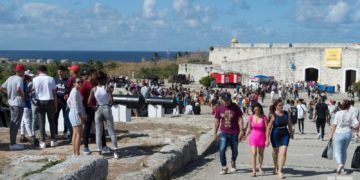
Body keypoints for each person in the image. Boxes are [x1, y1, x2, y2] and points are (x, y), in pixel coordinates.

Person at [89, 71, 119, 158]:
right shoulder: (107, 88)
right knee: (111, 131)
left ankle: (99, 151)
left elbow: (89, 102)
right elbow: (111, 101)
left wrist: (94, 107)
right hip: (106, 108)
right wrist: (110, 104)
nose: (106, 79)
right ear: (102, 79)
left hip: (98, 109)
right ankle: (115, 152)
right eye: (105, 78)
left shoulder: (94, 89)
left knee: (98, 132)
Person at [214, 93, 244, 175]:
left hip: (234, 132)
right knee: (222, 149)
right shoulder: (219, 109)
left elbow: (240, 119)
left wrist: (241, 131)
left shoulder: (236, 108)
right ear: (222, 100)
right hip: (224, 132)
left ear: (230, 99)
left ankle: (233, 161)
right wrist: (215, 133)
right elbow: (217, 121)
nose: (226, 102)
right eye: (224, 100)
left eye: (227, 100)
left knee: (234, 150)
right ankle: (224, 167)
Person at [329, 100, 359, 174]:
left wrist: (331, 135)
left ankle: (340, 164)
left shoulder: (338, 113)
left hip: (339, 133)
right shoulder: (351, 113)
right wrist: (352, 127)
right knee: (344, 150)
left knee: (337, 151)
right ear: (349, 106)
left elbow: (334, 125)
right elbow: (357, 124)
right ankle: (342, 168)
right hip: (348, 133)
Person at [32, 65, 58, 148]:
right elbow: (54, 94)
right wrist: (55, 105)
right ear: (46, 71)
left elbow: (33, 90)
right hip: (50, 101)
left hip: (39, 101)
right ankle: (53, 140)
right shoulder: (51, 79)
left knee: (41, 122)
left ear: (38, 71)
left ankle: (42, 141)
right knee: (51, 121)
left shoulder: (35, 79)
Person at [1, 64, 26, 150]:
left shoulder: (10, 78)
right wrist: (23, 97)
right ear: (21, 71)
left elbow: (1, 88)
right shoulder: (20, 79)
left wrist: (8, 94)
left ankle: (13, 142)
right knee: (16, 123)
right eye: (23, 71)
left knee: (13, 123)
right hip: (18, 104)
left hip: (11, 103)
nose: (24, 72)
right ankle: (12, 143)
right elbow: (18, 89)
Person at [266, 99, 292, 179]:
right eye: (279, 105)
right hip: (275, 134)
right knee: (275, 152)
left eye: (282, 105)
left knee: (283, 152)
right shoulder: (273, 115)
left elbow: (289, 123)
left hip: (285, 133)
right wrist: (267, 139)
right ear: (276, 106)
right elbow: (269, 128)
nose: (281, 107)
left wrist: (291, 132)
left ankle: (280, 171)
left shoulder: (286, 113)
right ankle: (275, 166)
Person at [245, 103, 267, 177]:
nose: (256, 111)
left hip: (262, 137)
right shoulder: (251, 117)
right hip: (253, 137)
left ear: (260, 109)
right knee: (254, 153)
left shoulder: (264, 117)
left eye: (257, 109)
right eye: (255, 110)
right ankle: (254, 171)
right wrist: (245, 135)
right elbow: (248, 128)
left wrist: (267, 139)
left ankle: (260, 167)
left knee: (261, 154)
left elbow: (267, 129)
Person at [67, 77, 85, 156]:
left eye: (81, 82)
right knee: (78, 134)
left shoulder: (75, 91)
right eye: (78, 82)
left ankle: (75, 153)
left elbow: (68, 101)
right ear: (74, 83)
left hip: (74, 112)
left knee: (75, 134)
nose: (80, 83)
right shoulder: (75, 92)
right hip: (76, 113)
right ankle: (76, 153)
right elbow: (76, 106)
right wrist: (81, 118)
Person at [19, 70, 37, 146]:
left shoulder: (23, 83)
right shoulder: (24, 83)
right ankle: (31, 137)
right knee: (27, 121)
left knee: (23, 120)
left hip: (24, 104)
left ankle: (22, 136)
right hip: (26, 104)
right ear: (26, 76)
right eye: (29, 76)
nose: (30, 77)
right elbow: (24, 93)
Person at [54, 65, 71, 141]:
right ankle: (55, 133)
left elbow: (70, 90)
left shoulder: (68, 80)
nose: (59, 73)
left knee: (66, 117)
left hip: (65, 102)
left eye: (61, 72)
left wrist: (68, 95)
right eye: (58, 72)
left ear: (64, 72)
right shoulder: (55, 80)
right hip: (57, 102)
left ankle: (66, 132)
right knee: (55, 117)